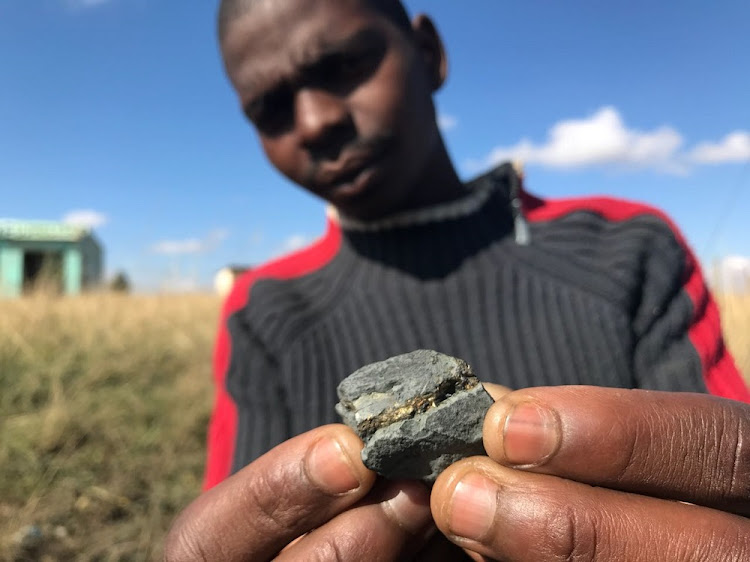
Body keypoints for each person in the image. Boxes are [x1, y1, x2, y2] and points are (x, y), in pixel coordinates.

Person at [165, 0, 750, 560]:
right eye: (270, 108)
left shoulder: (629, 246)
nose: (316, 121)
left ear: (429, 53)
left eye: (346, 65)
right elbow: (244, 511)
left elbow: (725, 458)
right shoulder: (262, 309)